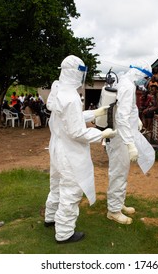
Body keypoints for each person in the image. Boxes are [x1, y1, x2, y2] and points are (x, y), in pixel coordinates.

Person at [44, 55, 116, 244]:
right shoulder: (71, 97)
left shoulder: (58, 88)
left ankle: (50, 217)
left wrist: (95, 113)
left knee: (56, 185)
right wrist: (102, 134)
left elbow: (70, 117)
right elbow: (76, 131)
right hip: (69, 151)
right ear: (76, 73)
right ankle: (64, 233)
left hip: (56, 147)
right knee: (71, 189)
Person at [105, 61, 155, 225]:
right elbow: (121, 117)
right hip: (121, 138)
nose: (146, 82)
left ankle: (118, 204)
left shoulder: (126, 83)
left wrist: (137, 120)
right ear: (140, 74)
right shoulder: (128, 86)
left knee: (121, 172)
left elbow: (128, 109)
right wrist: (130, 144)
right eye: (146, 78)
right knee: (118, 173)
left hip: (123, 136)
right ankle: (113, 211)